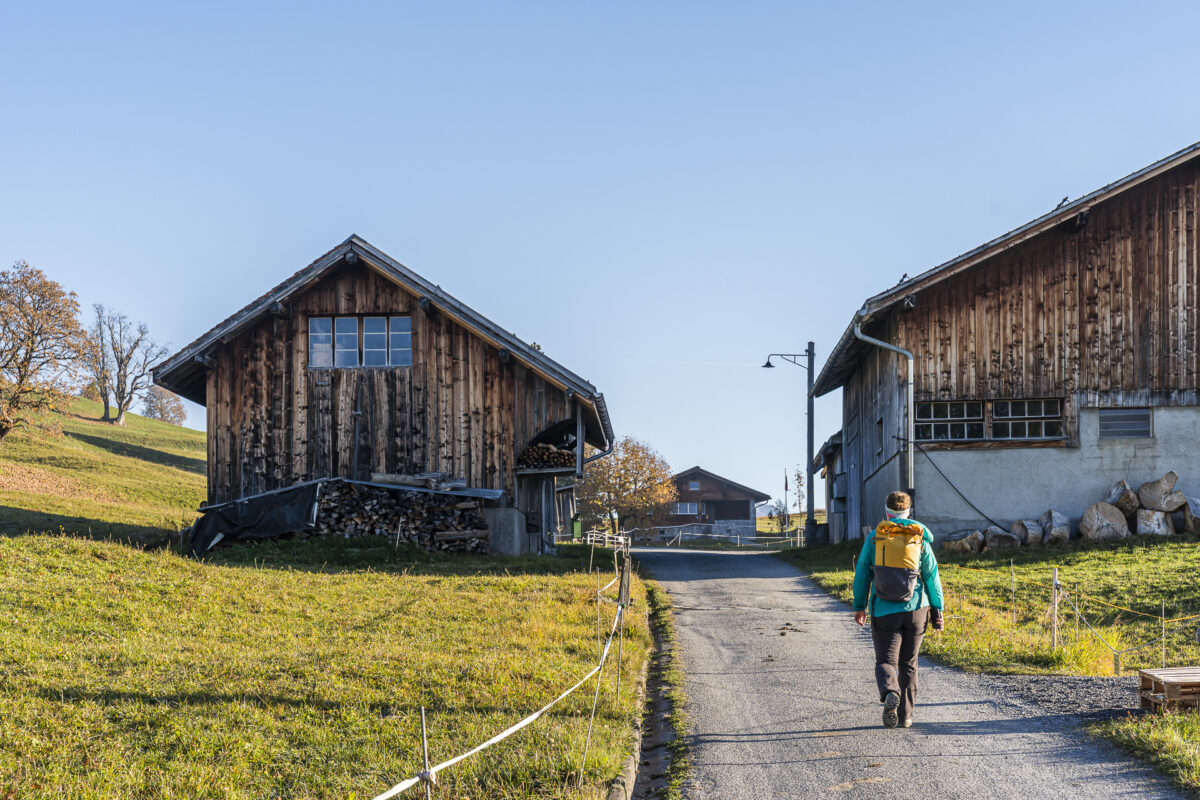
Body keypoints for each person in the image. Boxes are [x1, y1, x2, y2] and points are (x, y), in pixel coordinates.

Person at [852, 491, 944, 729]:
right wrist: (937, 608)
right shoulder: (919, 538)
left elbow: (863, 573)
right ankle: (905, 716)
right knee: (909, 663)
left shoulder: (875, 538)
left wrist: (859, 606)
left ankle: (890, 690)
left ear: (887, 512)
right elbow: (931, 576)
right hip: (916, 610)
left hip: (884, 610)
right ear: (908, 512)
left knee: (885, 661)